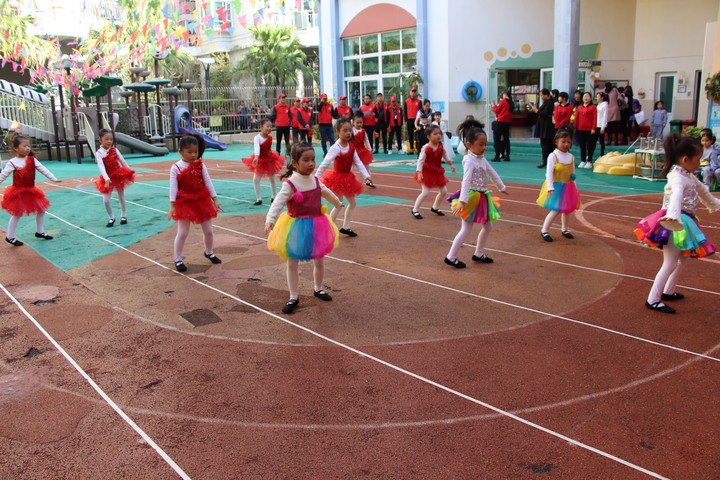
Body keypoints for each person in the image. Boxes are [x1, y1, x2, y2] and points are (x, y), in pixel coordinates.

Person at [634, 133, 720, 313]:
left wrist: (715, 203)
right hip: (673, 223)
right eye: (698, 159)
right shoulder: (677, 177)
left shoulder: (688, 175)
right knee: (670, 262)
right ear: (685, 159)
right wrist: (673, 217)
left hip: (683, 222)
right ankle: (653, 299)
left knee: (682, 258)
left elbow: (704, 192)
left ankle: (668, 291)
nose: (700, 163)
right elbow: (676, 195)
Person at [265, 142, 343, 314]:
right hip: (296, 227)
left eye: (313, 159)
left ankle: (318, 288)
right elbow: (278, 202)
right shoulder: (290, 184)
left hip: (317, 225)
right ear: (295, 163)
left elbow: (325, 192)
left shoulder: (315, 180)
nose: (311, 163)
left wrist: (337, 202)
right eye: (306, 160)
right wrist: (270, 219)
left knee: (319, 260)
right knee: (292, 263)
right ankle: (293, 296)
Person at [444, 120, 509, 268]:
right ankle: (451, 256)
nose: (484, 147)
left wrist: (501, 187)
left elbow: (492, 172)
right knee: (466, 229)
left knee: (488, 227)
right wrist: (463, 200)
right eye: (480, 144)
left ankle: (478, 253)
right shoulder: (469, 160)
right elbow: (466, 181)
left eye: (485, 144)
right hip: (471, 198)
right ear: (469, 145)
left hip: (482, 197)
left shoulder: (481, 158)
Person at [168, 134, 223, 272]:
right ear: (180, 151)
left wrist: (215, 199)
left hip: (202, 200)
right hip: (184, 203)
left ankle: (209, 252)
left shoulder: (200, 165)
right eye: (189, 152)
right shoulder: (176, 167)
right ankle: (178, 259)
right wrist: (172, 205)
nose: (193, 155)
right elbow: (173, 187)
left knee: (209, 230)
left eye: (195, 152)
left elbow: (208, 182)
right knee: (182, 232)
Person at [315, 117, 372, 237]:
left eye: (349, 130)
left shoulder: (351, 146)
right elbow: (325, 163)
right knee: (338, 204)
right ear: (337, 132)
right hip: (337, 179)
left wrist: (366, 176)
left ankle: (346, 227)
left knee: (352, 203)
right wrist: (315, 178)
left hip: (348, 179)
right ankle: (327, 228)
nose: (348, 133)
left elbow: (358, 162)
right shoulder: (336, 147)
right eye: (345, 130)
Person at [0, 133, 60, 246]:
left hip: (32, 191)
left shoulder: (32, 160)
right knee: (17, 214)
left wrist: (54, 179)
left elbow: (43, 169)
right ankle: (10, 237)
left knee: (42, 210)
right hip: (18, 192)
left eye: (28, 146)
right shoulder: (12, 162)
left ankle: (40, 232)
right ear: (16, 148)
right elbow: (3, 175)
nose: (27, 148)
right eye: (24, 146)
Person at [536, 127, 582, 241]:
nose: (566, 144)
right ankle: (544, 230)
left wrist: (575, 187)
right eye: (563, 141)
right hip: (556, 187)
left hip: (568, 187)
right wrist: (550, 187)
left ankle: (565, 229)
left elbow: (573, 174)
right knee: (556, 209)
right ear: (556, 141)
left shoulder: (571, 157)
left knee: (567, 210)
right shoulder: (553, 156)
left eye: (568, 142)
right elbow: (549, 173)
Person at [411, 124, 456, 219]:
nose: (438, 136)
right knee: (425, 192)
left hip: (437, 171)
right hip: (427, 172)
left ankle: (435, 207)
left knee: (444, 191)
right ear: (428, 137)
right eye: (435, 134)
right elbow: (421, 160)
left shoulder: (441, 146)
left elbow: (445, 156)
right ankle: (415, 210)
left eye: (439, 133)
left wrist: (451, 164)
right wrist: (419, 172)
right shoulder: (426, 148)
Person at [94, 129, 135, 227]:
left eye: (111, 139)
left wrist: (129, 171)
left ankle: (124, 215)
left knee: (121, 195)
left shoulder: (115, 150)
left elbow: (122, 161)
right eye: (106, 139)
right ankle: (111, 217)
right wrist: (106, 178)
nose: (109, 141)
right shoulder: (99, 153)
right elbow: (101, 166)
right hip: (107, 178)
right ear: (100, 140)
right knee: (106, 200)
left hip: (118, 175)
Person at [242, 118, 285, 205]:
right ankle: (259, 199)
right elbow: (257, 147)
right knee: (256, 179)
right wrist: (256, 157)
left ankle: (274, 196)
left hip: (269, 159)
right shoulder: (257, 138)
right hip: (260, 160)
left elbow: (268, 149)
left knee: (272, 178)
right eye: (267, 126)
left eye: (271, 126)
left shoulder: (270, 138)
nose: (269, 128)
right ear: (261, 127)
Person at [532, 88, 555, 169]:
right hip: (544, 124)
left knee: (546, 144)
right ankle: (546, 160)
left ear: (546, 95)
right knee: (545, 143)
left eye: (542, 95)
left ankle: (546, 160)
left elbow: (544, 114)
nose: (541, 97)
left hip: (546, 125)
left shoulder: (549, 103)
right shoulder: (546, 102)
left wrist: (536, 110)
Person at [351, 112, 375, 187]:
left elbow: (366, 141)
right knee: (350, 166)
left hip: (362, 151)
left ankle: (368, 179)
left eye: (360, 122)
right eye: (357, 122)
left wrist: (369, 150)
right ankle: (349, 180)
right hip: (353, 151)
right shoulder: (351, 131)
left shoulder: (363, 131)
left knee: (366, 166)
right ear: (353, 122)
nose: (359, 124)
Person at [574, 92, 597, 168]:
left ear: (590, 98)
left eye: (587, 96)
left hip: (589, 129)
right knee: (582, 145)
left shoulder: (593, 107)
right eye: (584, 96)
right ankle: (583, 160)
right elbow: (577, 118)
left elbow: (594, 118)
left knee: (589, 145)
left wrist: (593, 128)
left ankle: (589, 161)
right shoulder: (579, 107)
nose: (585, 98)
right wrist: (574, 127)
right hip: (581, 128)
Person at [587, 91, 608, 168]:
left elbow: (605, 116)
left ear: (602, 98)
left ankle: (602, 154)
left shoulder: (605, 105)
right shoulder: (597, 105)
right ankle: (590, 155)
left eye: (598, 97)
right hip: (595, 125)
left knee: (601, 141)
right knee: (593, 141)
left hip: (600, 126)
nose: (597, 98)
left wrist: (603, 127)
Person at [490, 91, 512, 161]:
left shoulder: (503, 101)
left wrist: (493, 105)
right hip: (507, 122)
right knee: (506, 139)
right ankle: (507, 155)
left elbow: (497, 110)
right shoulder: (511, 102)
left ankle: (497, 156)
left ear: (505, 95)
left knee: (497, 139)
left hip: (501, 121)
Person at [404, 87, 422, 154]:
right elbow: (405, 111)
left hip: (416, 120)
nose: (413, 93)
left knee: (417, 135)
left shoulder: (419, 101)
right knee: (410, 135)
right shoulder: (406, 101)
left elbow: (420, 111)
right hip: (409, 120)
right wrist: (406, 120)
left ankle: (417, 148)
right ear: (410, 92)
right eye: (412, 91)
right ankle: (411, 148)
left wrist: (420, 120)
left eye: (414, 91)